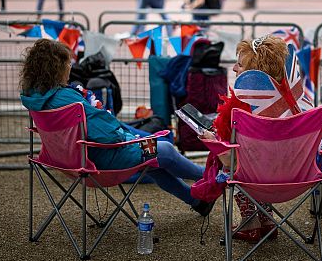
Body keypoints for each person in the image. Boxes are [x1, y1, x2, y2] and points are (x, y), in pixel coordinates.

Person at [20, 39, 213, 216]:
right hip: (100, 159)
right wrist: (129, 138)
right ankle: (213, 178)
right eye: (67, 63)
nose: (70, 66)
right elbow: (107, 134)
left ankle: (196, 200)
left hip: (66, 161)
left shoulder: (36, 99)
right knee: (165, 150)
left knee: (153, 160)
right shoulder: (68, 99)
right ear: (56, 68)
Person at [194, 35, 299, 242]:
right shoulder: (296, 102)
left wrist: (209, 138)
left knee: (233, 165)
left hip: (255, 178)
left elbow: (229, 158)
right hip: (296, 176)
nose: (233, 69)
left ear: (253, 74)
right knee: (261, 161)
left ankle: (250, 222)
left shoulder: (240, 108)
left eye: (240, 66)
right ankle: (267, 220)